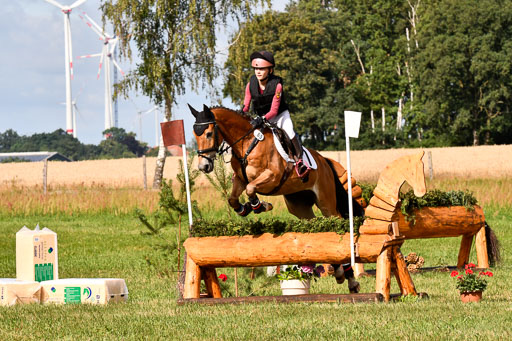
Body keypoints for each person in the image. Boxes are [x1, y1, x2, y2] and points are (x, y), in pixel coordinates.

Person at [241, 50, 310, 179]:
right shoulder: (251, 84)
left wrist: (262, 119)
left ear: (270, 70)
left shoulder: (277, 85)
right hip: (261, 118)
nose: (258, 72)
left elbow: (273, 110)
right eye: (256, 69)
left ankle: (300, 161)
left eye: (262, 69)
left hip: (279, 115)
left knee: (289, 132)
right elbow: (246, 105)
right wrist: (241, 113)